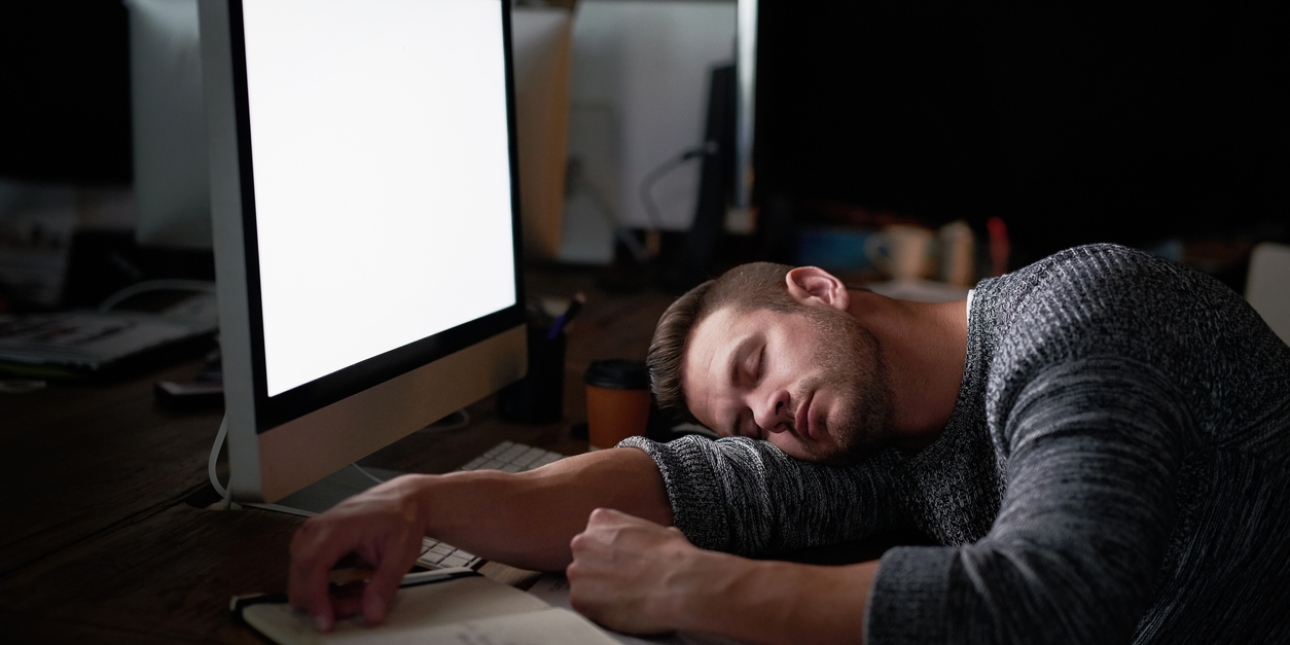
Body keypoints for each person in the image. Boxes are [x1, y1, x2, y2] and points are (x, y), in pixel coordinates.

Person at [287, 244, 1290, 644]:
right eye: (742, 415)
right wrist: (415, 499)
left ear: (816, 288)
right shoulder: (887, 438)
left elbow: (1056, 592)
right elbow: (688, 484)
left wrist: (694, 588)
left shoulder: (1080, 322)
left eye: (756, 364)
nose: (764, 414)